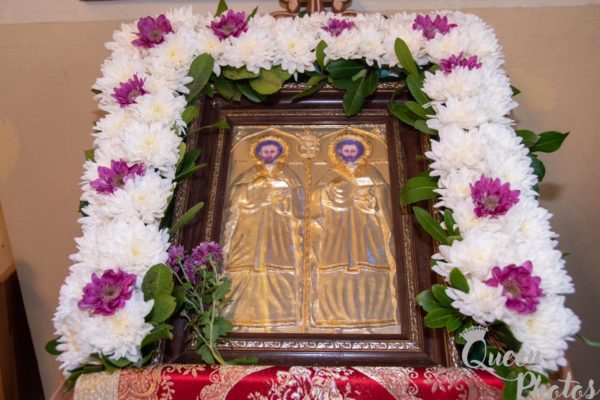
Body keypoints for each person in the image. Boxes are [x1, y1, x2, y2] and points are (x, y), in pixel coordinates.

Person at [310, 133, 398, 328]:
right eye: (346, 150)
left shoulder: (372, 172)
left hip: (367, 229)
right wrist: (331, 189)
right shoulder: (330, 174)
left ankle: (372, 317)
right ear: (339, 153)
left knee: (369, 264)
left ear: (361, 152)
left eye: (353, 150)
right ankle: (334, 316)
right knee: (335, 263)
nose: (350, 154)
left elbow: (383, 198)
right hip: (338, 229)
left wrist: (369, 196)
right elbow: (317, 199)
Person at [221, 136, 305, 328]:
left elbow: (299, 201)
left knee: (276, 263)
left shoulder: (288, 174)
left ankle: (280, 316)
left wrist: (284, 198)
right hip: (249, 228)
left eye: (272, 151)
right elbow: (235, 197)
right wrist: (252, 186)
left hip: (278, 228)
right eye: (265, 151)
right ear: (258, 154)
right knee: (244, 265)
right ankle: (237, 315)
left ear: (279, 153)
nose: (269, 154)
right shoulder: (250, 173)